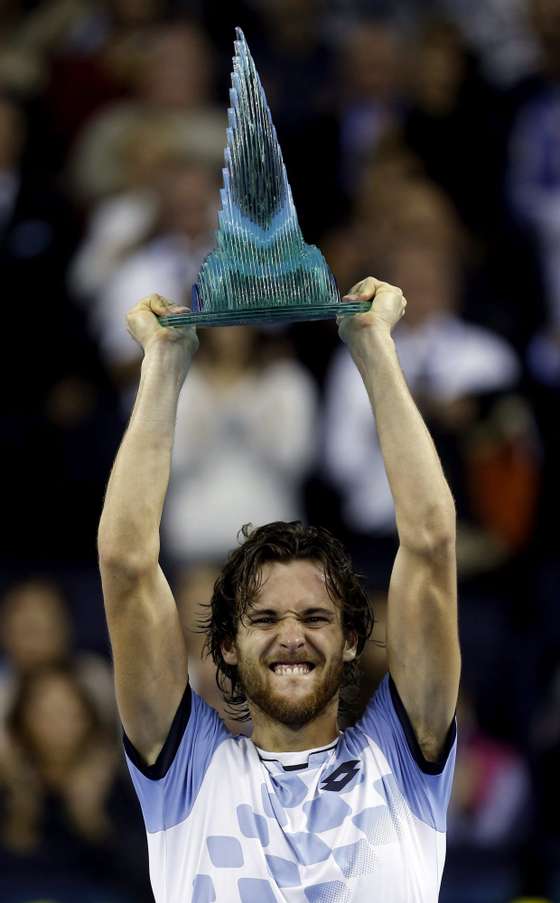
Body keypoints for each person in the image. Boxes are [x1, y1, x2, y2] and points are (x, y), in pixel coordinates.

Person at [98, 277, 461, 902]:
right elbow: (127, 564)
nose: (291, 635)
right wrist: (163, 366)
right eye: (263, 619)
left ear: (350, 639)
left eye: (315, 616)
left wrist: (374, 349)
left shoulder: (403, 760)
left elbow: (430, 543)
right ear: (229, 646)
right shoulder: (188, 773)